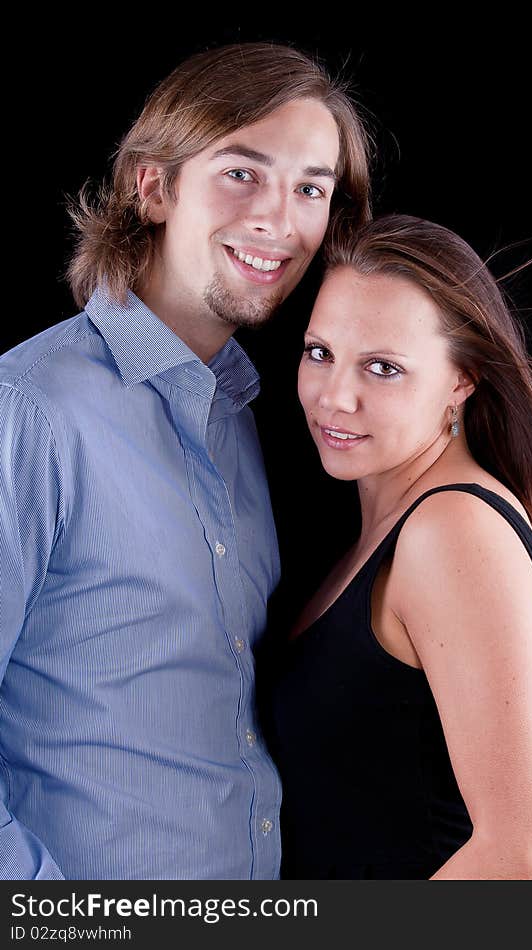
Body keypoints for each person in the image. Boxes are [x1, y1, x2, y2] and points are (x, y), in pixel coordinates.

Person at [0, 42, 371, 880]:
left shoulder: (238, 414)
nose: (281, 219)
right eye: (243, 172)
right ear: (154, 186)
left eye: (311, 187)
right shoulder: (31, 410)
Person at [271, 214, 532, 879]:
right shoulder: (391, 523)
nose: (333, 397)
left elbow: (521, 862)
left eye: (382, 368)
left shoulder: (453, 530)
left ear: (462, 380)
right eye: (319, 352)